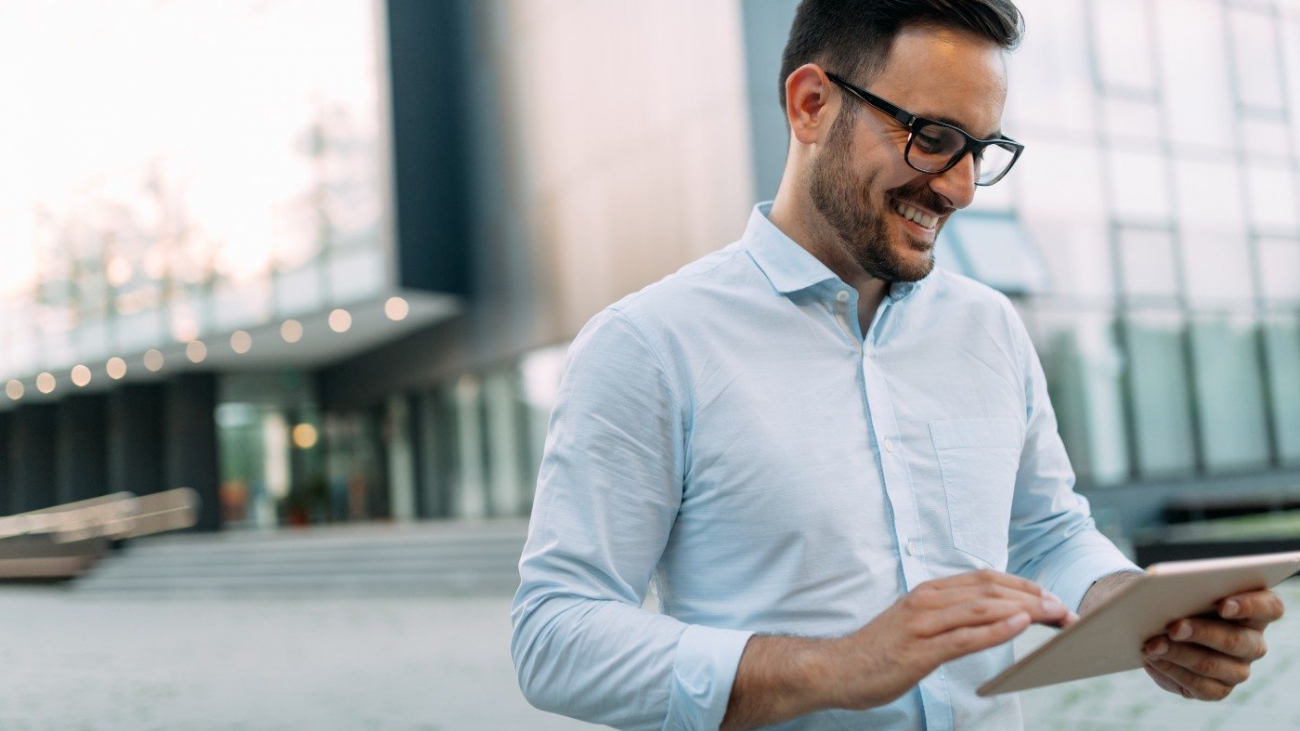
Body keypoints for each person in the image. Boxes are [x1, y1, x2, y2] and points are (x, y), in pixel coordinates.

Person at [510, 1, 1285, 729]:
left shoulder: (990, 328)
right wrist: (835, 666)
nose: (960, 187)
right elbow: (555, 632)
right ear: (811, 104)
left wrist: (1142, 612)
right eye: (932, 136)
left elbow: (1043, 531)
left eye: (981, 150)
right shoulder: (649, 343)